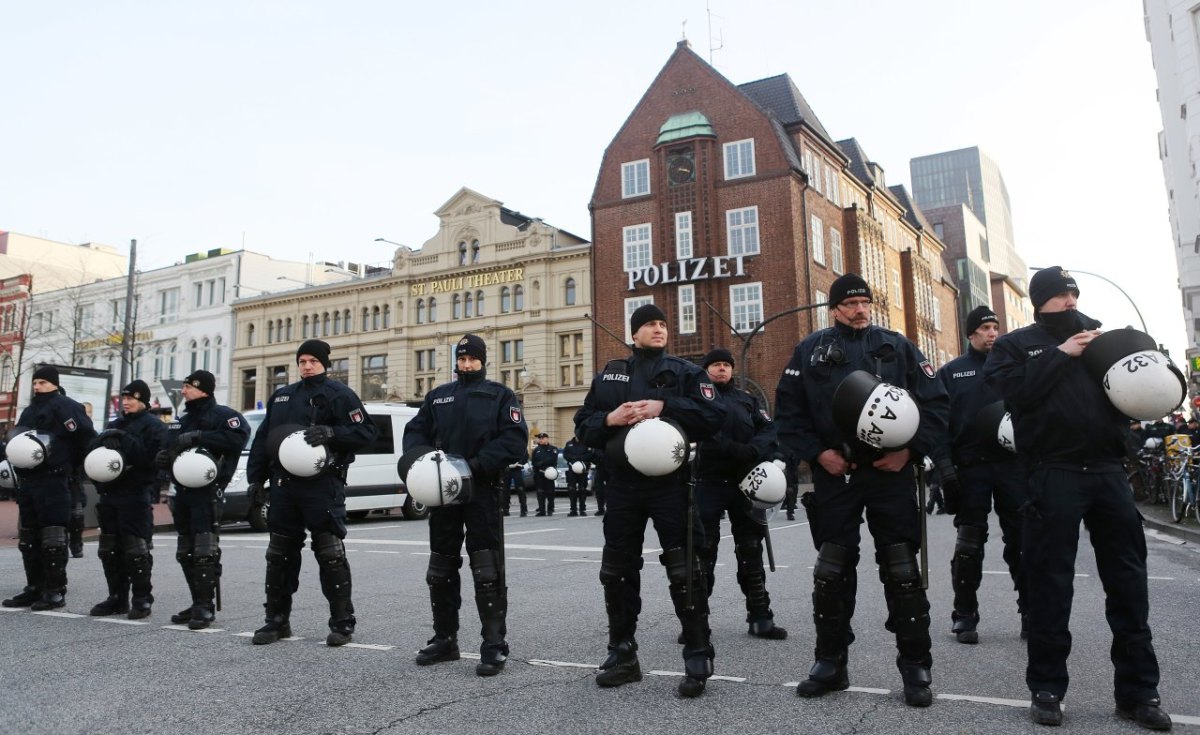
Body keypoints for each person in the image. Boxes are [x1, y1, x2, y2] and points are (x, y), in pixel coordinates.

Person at [984, 267, 1172, 730]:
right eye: (1060, 294)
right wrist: (1061, 354)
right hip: (1054, 472)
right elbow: (1012, 393)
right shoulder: (1016, 345)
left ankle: (1139, 692)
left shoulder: (1102, 339)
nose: (1070, 299)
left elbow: (1141, 391)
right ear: (1040, 300)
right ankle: (1047, 690)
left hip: (1108, 471)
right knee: (1050, 583)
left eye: (1073, 292)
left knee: (1128, 584)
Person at [774, 273, 949, 708]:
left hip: (889, 473)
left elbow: (937, 403)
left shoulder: (898, 346)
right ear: (833, 309)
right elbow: (788, 412)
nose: (860, 309)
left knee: (902, 568)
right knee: (831, 570)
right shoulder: (809, 350)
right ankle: (830, 663)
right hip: (837, 473)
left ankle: (915, 667)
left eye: (865, 302)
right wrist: (818, 455)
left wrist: (909, 452)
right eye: (850, 303)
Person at [574, 303, 726, 697]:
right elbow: (583, 426)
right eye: (649, 325)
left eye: (662, 323)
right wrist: (610, 419)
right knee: (617, 569)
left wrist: (666, 405)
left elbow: (715, 417)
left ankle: (697, 655)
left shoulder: (687, 373)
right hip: (622, 485)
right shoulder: (610, 373)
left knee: (684, 567)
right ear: (634, 333)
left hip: (671, 484)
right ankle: (622, 655)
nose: (658, 329)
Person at [402, 334, 528, 676]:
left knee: (487, 569)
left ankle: (493, 644)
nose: (466, 364)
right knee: (440, 568)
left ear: (483, 361)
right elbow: (415, 433)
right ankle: (445, 640)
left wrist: (473, 465)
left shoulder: (500, 395)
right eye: (462, 359)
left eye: (472, 359)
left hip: (482, 490)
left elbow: (515, 441)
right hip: (442, 494)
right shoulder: (438, 396)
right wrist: (423, 463)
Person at [245, 340, 377, 647]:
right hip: (284, 487)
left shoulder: (339, 394)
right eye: (302, 361)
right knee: (279, 555)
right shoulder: (282, 396)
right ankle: (276, 621)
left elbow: (366, 432)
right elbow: (264, 440)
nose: (306, 366)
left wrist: (332, 433)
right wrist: (256, 479)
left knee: (330, 554)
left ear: (324, 364)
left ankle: (342, 623)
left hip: (322, 486)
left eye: (313, 361)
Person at [936, 306, 1027, 645]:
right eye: (986, 328)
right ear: (971, 333)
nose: (992, 333)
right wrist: (945, 468)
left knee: (1022, 541)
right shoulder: (951, 373)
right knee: (969, 546)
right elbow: (938, 425)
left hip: (1011, 467)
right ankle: (964, 614)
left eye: (995, 327)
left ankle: (1030, 610)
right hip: (970, 468)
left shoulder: (1013, 369)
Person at [693, 348, 786, 641]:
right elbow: (700, 430)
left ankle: (760, 616)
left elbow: (769, 430)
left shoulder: (748, 400)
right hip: (708, 480)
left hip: (745, 481)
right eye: (715, 365)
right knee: (703, 551)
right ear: (706, 370)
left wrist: (754, 450)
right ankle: (697, 620)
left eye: (726, 365)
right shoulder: (697, 399)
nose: (721, 369)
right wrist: (730, 448)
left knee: (750, 550)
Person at [159, 370, 249, 630]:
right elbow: (168, 449)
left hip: (207, 493)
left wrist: (200, 437)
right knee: (185, 551)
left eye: (188, 387)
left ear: (203, 389)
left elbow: (236, 440)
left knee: (204, 552)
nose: (184, 391)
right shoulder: (181, 420)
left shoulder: (224, 416)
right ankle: (196, 600)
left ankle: (205, 606)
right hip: (182, 492)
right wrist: (164, 460)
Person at [2, 366, 96, 610]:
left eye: (42, 382)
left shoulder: (67, 406)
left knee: (53, 536)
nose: (37, 386)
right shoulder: (30, 410)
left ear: (54, 383)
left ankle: (54, 590)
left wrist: (72, 468)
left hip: (55, 479)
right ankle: (34, 586)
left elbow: (86, 438)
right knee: (29, 537)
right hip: (30, 481)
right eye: (35, 382)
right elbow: (17, 439)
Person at [87, 380, 169, 619]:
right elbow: (92, 452)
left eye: (131, 398)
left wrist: (125, 439)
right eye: (124, 398)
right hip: (110, 492)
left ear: (142, 400)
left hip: (135, 493)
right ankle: (117, 597)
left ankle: (142, 599)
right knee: (110, 548)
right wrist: (105, 437)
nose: (126, 402)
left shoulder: (154, 426)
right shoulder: (115, 423)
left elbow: (151, 460)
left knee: (136, 549)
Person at [561, 435, 595, 516]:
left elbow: (589, 456)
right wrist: (575, 460)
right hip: (572, 471)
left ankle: (582, 510)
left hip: (583, 470)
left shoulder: (586, 444)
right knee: (571, 490)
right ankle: (573, 510)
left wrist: (577, 459)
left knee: (582, 490)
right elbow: (565, 455)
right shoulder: (569, 444)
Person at [530, 432, 559, 516]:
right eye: (539, 438)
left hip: (549, 473)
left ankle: (550, 509)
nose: (540, 440)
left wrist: (541, 463)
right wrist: (539, 465)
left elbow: (552, 460)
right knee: (540, 492)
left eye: (542, 438)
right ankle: (542, 510)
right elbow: (533, 462)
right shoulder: (536, 450)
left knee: (550, 492)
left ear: (547, 439)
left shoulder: (553, 449)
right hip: (539, 474)